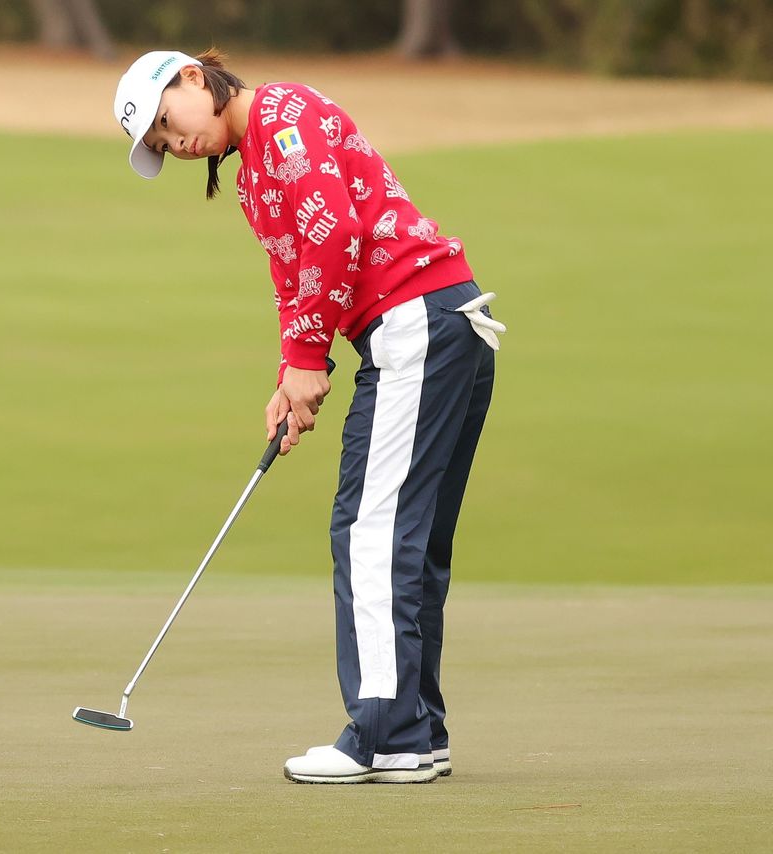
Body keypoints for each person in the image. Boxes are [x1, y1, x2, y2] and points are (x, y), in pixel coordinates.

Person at [112, 49, 504, 784]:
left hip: (415, 324)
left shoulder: (282, 116)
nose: (176, 142)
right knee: (408, 539)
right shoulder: (254, 169)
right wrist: (292, 373)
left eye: (166, 121)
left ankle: (386, 735)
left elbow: (333, 236)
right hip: (434, 324)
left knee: (369, 533)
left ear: (194, 77)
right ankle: (418, 730)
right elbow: (292, 272)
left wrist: (308, 359)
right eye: (161, 144)